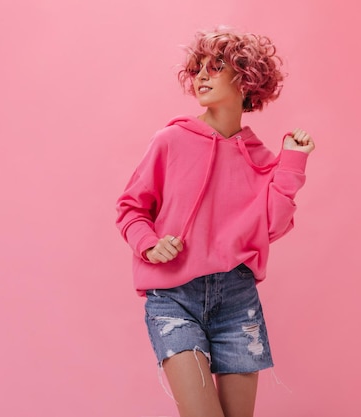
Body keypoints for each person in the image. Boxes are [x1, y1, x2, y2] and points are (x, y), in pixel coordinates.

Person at [116, 26, 315, 417]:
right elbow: (130, 208)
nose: (202, 75)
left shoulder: (260, 158)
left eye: (216, 66)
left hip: (237, 300)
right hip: (174, 297)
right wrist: (151, 244)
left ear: (246, 78)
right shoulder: (170, 141)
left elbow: (271, 227)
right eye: (198, 68)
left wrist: (292, 162)